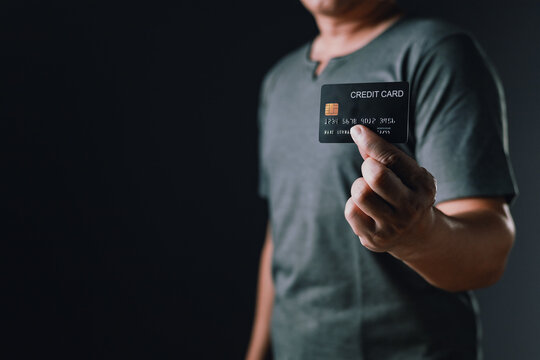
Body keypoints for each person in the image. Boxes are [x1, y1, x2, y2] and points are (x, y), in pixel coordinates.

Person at [246, 0, 519, 359]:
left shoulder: (436, 51)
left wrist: (418, 237)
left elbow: (491, 250)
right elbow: (281, 234)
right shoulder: (279, 81)